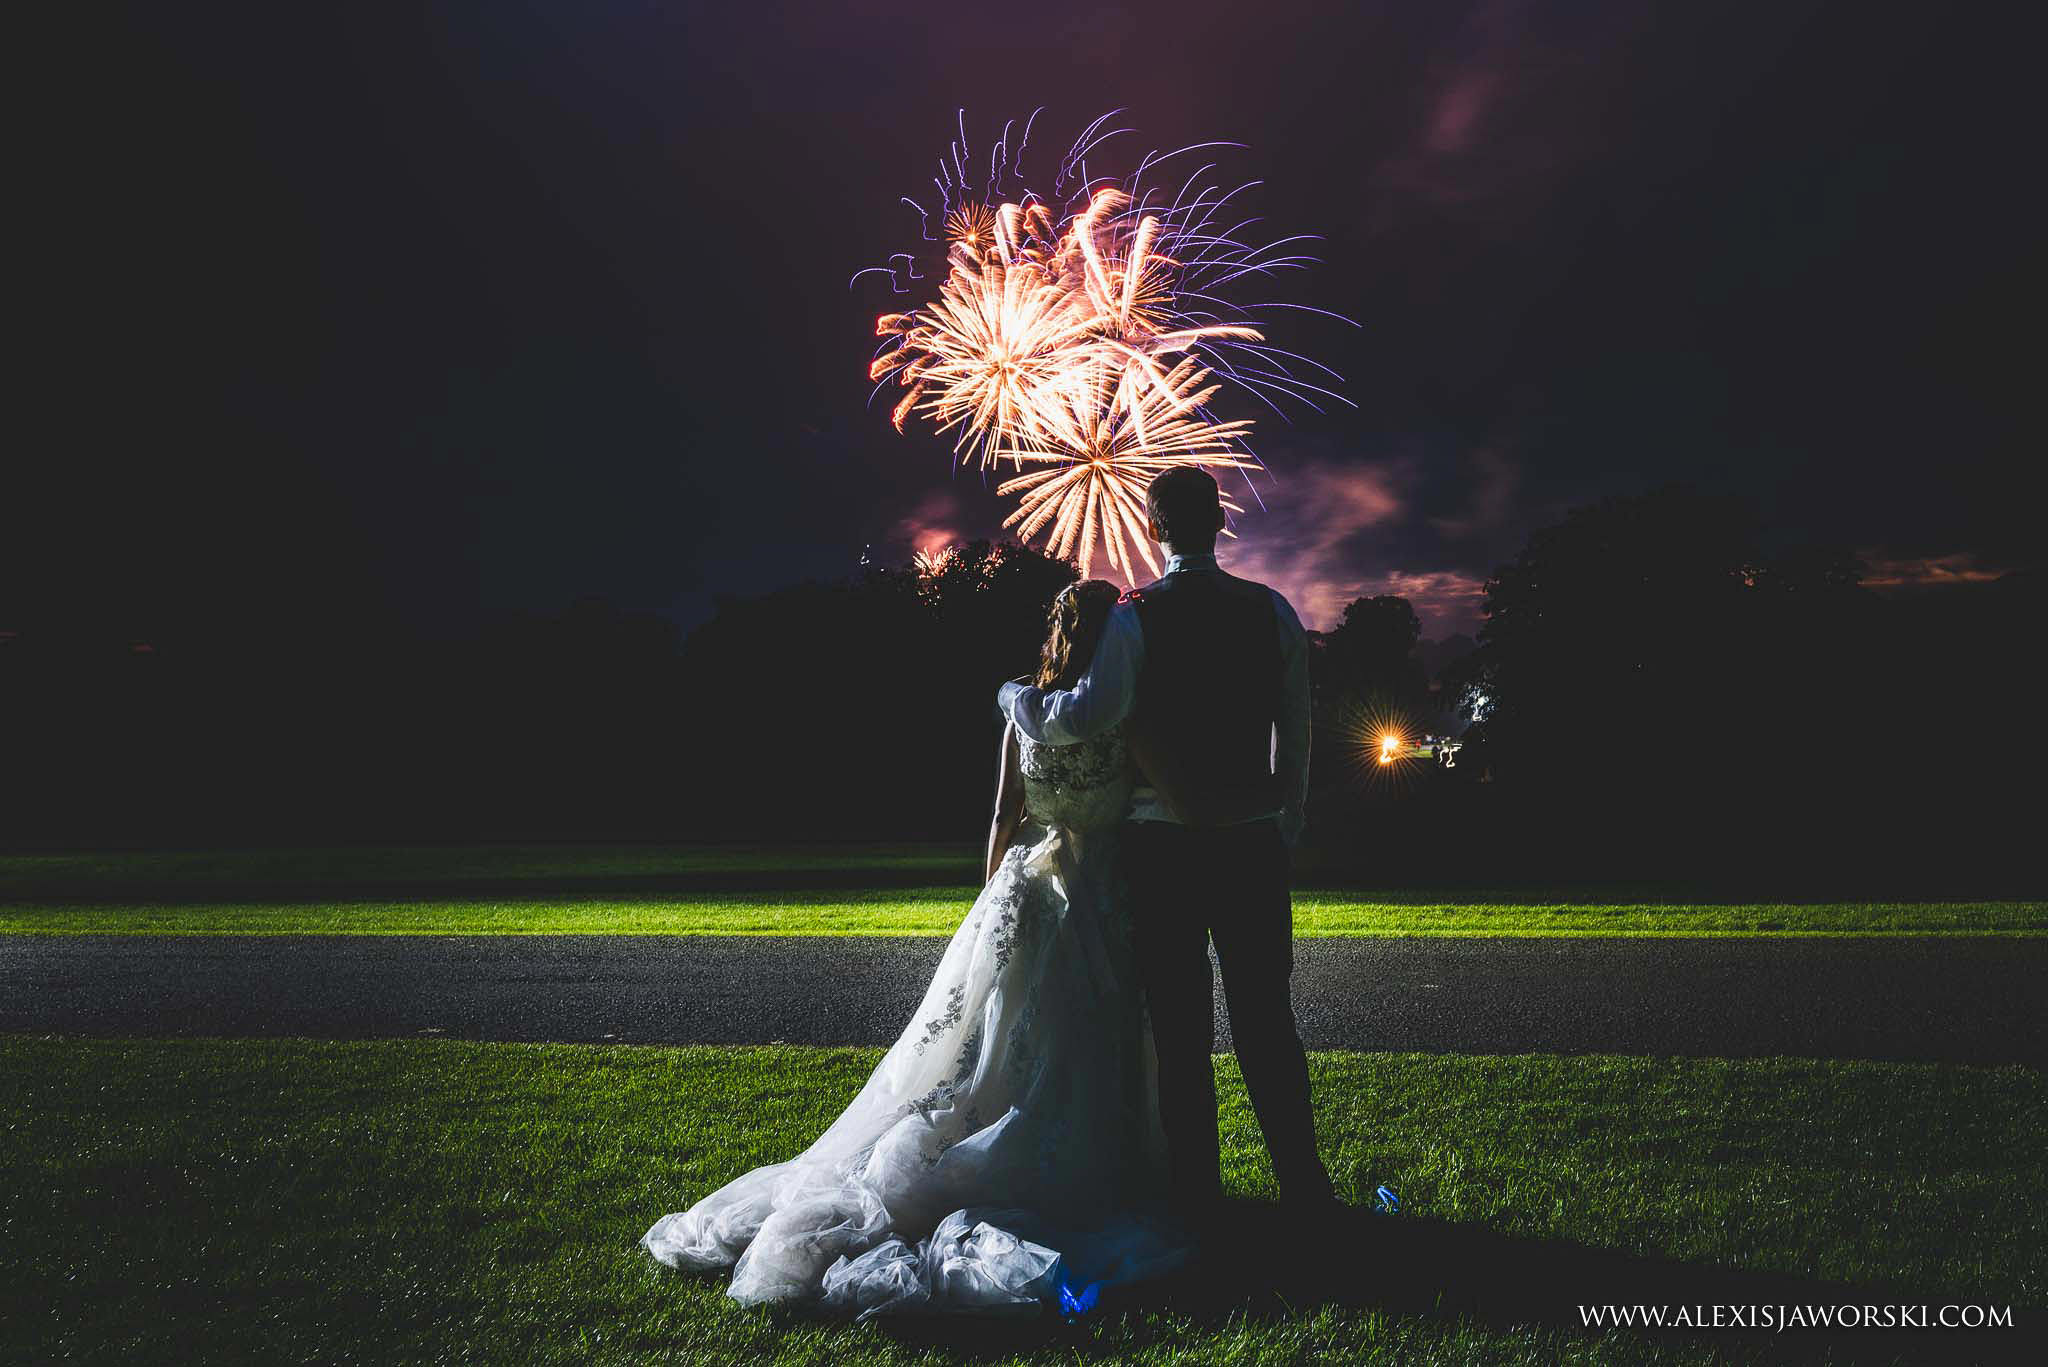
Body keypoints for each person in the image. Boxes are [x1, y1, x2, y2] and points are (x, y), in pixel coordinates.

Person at [642, 580, 1185, 1319]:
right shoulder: (1125, 716)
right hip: (1099, 884)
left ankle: (987, 1135)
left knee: (996, 1032)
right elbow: (1161, 795)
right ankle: (1101, 1165)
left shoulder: (1021, 711)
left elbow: (1003, 811)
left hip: (1027, 883)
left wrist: (996, 897)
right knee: (1087, 1030)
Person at [997, 467, 1336, 1220]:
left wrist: (1013, 696)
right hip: (1250, 842)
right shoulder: (1273, 611)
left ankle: (1198, 1196)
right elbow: (1298, 731)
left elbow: (1085, 717)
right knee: (1266, 1019)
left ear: (1153, 527)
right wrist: (1287, 821)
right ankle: (1303, 1184)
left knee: (1181, 1030)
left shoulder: (1133, 618)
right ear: (1220, 520)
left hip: (1163, 849)